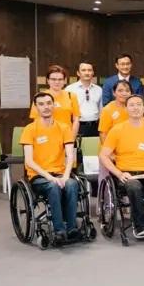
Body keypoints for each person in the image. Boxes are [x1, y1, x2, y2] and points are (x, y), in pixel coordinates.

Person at [99, 95, 144, 238]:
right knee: (134, 186)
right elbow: (103, 155)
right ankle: (140, 226)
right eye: (131, 105)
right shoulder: (117, 130)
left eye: (139, 104)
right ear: (126, 109)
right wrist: (119, 173)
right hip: (126, 174)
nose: (135, 108)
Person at [21, 92, 80, 244]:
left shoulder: (64, 127)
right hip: (39, 176)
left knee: (72, 184)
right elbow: (29, 161)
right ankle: (59, 230)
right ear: (36, 108)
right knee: (53, 187)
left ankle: (72, 228)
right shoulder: (29, 129)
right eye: (41, 104)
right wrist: (50, 177)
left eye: (49, 103)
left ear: (53, 105)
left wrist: (66, 175)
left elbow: (70, 155)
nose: (46, 107)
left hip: (60, 173)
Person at [30, 65, 81, 139]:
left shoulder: (71, 96)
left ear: (64, 80)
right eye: (53, 79)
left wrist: (71, 139)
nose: (57, 82)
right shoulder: (39, 97)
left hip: (66, 137)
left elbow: (76, 120)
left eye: (60, 79)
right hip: (46, 137)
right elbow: (36, 120)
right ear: (48, 80)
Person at [66, 62, 102, 137]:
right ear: (78, 73)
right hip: (77, 126)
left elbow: (101, 110)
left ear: (93, 73)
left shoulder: (99, 89)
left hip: (95, 126)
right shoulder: (70, 89)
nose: (87, 73)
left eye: (89, 70)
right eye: (83, 70)